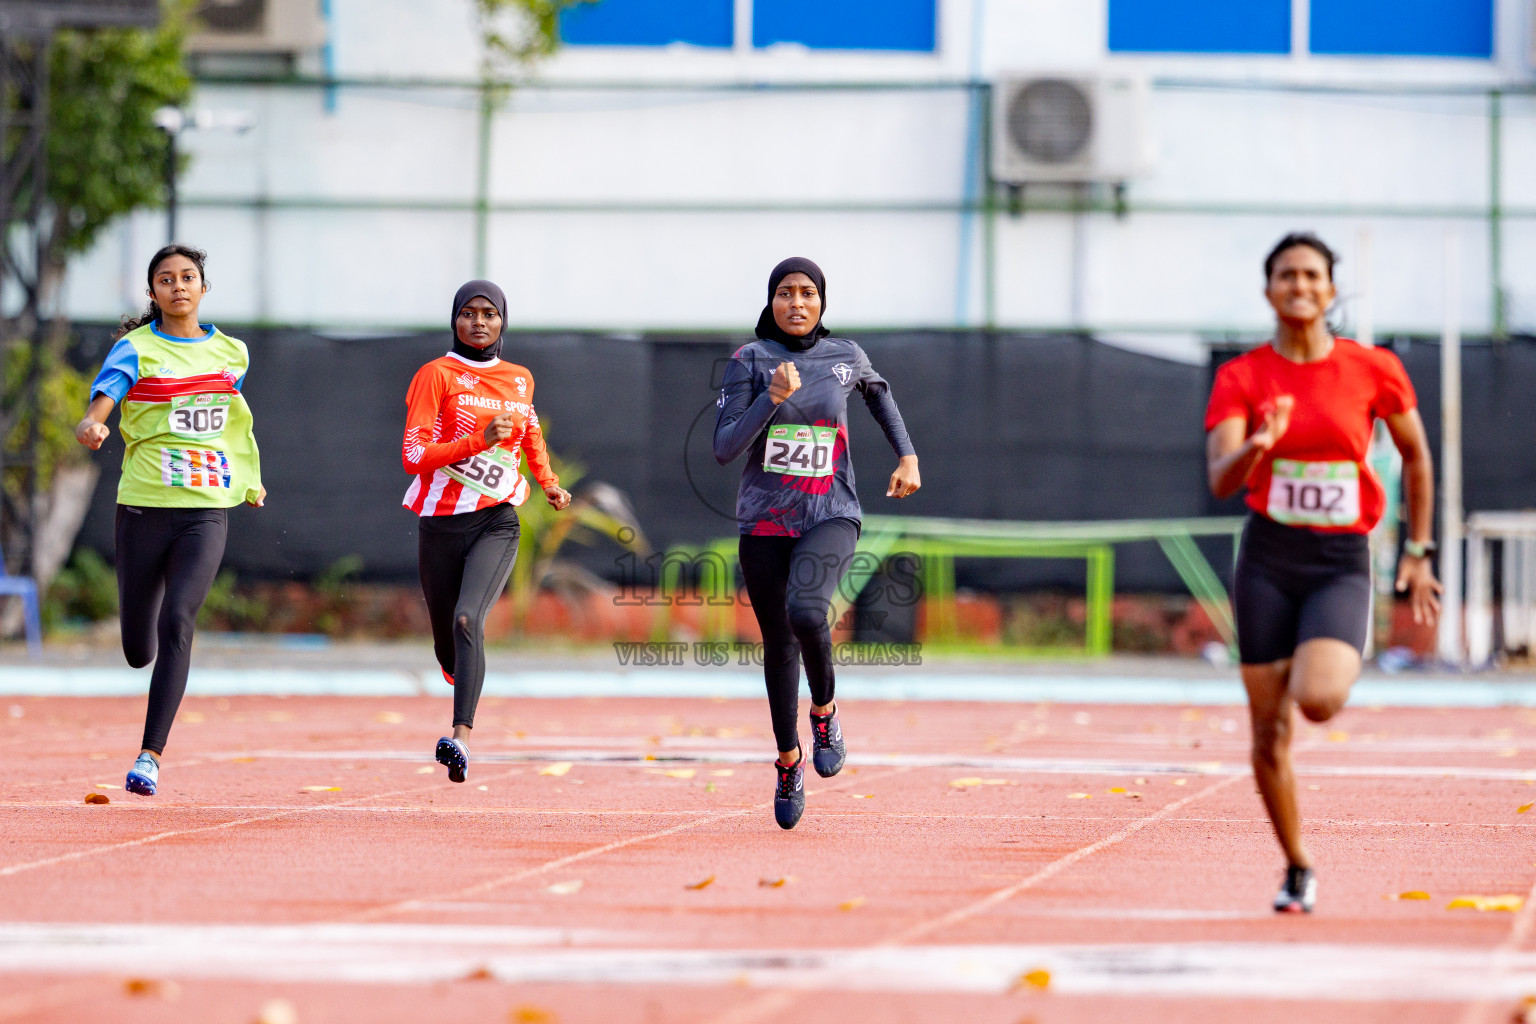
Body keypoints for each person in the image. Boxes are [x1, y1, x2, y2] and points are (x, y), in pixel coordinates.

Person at [1205, 232, 1441, 913]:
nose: (1299, 285)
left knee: (1317, 699)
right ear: (1268, 290)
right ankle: (1298, 864)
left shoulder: (1374, 369)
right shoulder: (1243, 378)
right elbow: (1221, 479)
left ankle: (1335, 652)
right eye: (1286, 275)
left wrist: (1419, 553)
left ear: (1331, 290)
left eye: (1312, 274)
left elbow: (1417, 458)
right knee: (1268, 730)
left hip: (1340, 560)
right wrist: (1259, 443)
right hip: (1269, 560)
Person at [714, 257, 920, 829]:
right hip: (763, 523)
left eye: (807, 293)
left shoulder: (845, 357)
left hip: (831, 512)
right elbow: (725, 448)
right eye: (785, 293)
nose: (797, 303)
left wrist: (908, 455)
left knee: (807, 611)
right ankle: (787, 762)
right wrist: (770, 398)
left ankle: (824, 712)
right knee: (778, 643)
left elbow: (879, 394)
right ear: (771, 302)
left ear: (822, 302)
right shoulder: (749, 361)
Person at [74, 244, 265, 796]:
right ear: (153, 292)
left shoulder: (233, 354)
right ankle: (142, 634)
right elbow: (104, 399)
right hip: (143, 508)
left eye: (188, 277)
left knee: (179, 618)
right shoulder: (134, 349)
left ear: (204, 287)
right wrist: (92, 426)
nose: (178, 286)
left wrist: (247, 479)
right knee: (140, 648)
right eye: (165, 279)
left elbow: (234, 425)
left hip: (205, 510)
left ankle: (149, 756)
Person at [402, 279, 570, 783]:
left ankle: (461, 737)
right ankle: (461, 673)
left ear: (502, 321)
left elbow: (531, 434)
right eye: (469, 313)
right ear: (455, 320)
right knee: (446, 642)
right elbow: (414, 456)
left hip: (496, 520)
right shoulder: (436, 375)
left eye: (489, 314)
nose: (479, 322)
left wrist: (550, 483)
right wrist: (477, 440)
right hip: (439, 524)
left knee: (468, 620)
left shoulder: (520, 379)